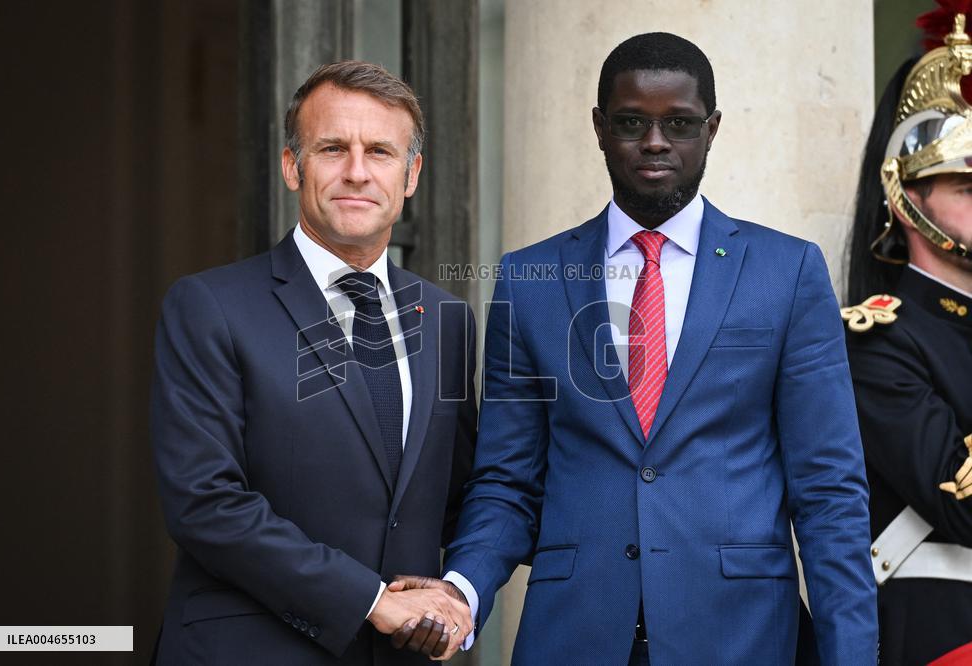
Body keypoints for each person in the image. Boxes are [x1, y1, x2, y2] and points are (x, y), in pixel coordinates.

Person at [393, 32, 878, 664]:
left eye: (678, 123)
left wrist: (853, 655)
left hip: (741, 635)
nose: (654, 143)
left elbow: (829, 490)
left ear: (712, 128)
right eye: (631, 123)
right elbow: (507, 481)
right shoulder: (529, 279)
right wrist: (461, 590)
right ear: (598, 128)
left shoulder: (786, 272)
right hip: (576, 635)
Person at [149, 61, 476, 664]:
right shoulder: (209, 306)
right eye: (332, 148)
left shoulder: (448, 320)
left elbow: (459, 497)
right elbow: (205, 503)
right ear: (292, 165)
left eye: (380, 151)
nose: (357, 172)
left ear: (411, 175)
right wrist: (371, 600)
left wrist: (460, 594)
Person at [842, 6, 972, 664]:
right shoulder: (876, 338)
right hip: (946, 634)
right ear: (906, 200)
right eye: (967, 186)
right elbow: (963, 506)